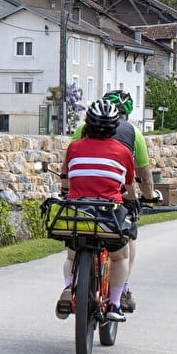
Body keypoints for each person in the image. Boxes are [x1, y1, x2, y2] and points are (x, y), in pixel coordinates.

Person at [70, 88, 158, 313]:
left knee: (73, 246)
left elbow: (70, 167)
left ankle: (70, 287)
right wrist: (148, 196)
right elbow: (143, 175)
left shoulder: (79, 133)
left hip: (80, 200)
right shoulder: (133, 134)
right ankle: (122, 292)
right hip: (113, 200)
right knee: (127, 239)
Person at [56, 98, 136, 321]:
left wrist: (67, 191)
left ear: (87, 125)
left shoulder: (74, 148)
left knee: (72, 255)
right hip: (108, 215)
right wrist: (133, 199)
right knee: (121, 256)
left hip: (78, 212)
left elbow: (66, 179)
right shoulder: (123, 152)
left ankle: (69, 287)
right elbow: (129, 187)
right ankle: (115, 304)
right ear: (114, 128)